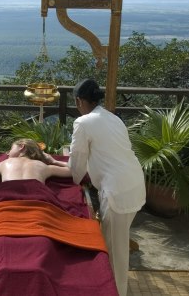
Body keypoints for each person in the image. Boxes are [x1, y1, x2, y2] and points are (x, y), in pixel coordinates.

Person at [67, 79, 146, 296]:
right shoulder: (113, 118)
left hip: (118, 192)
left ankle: (116, 292)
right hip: (134, 183)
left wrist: (66, 173)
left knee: (115, 254)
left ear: (78, 101)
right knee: (114, 245)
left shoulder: (83, 123)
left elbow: (76, 169)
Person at [0, 138, 70, 183]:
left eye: (10, 149)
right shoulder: (44, 166)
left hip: (8, 194)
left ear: (21, 147)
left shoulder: (3, 163)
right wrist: (54, 161)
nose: (7, 153)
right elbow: (75, 172)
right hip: (37, 197)